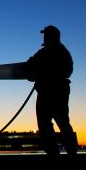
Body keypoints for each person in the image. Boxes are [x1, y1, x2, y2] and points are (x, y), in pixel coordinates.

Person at [25, 25, 77, 156]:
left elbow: (68, 71)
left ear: (53, 36)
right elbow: (31, 67)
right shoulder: (43, 52)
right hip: (44, 91)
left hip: (56, 91)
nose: (44, 36)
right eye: (44, 34)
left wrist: (44, 72)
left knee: (61, 121)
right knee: (44, 123)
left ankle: (70, 150)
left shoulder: (60, 51)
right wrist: (31, 69)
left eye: (46, 34)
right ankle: (53, 151)